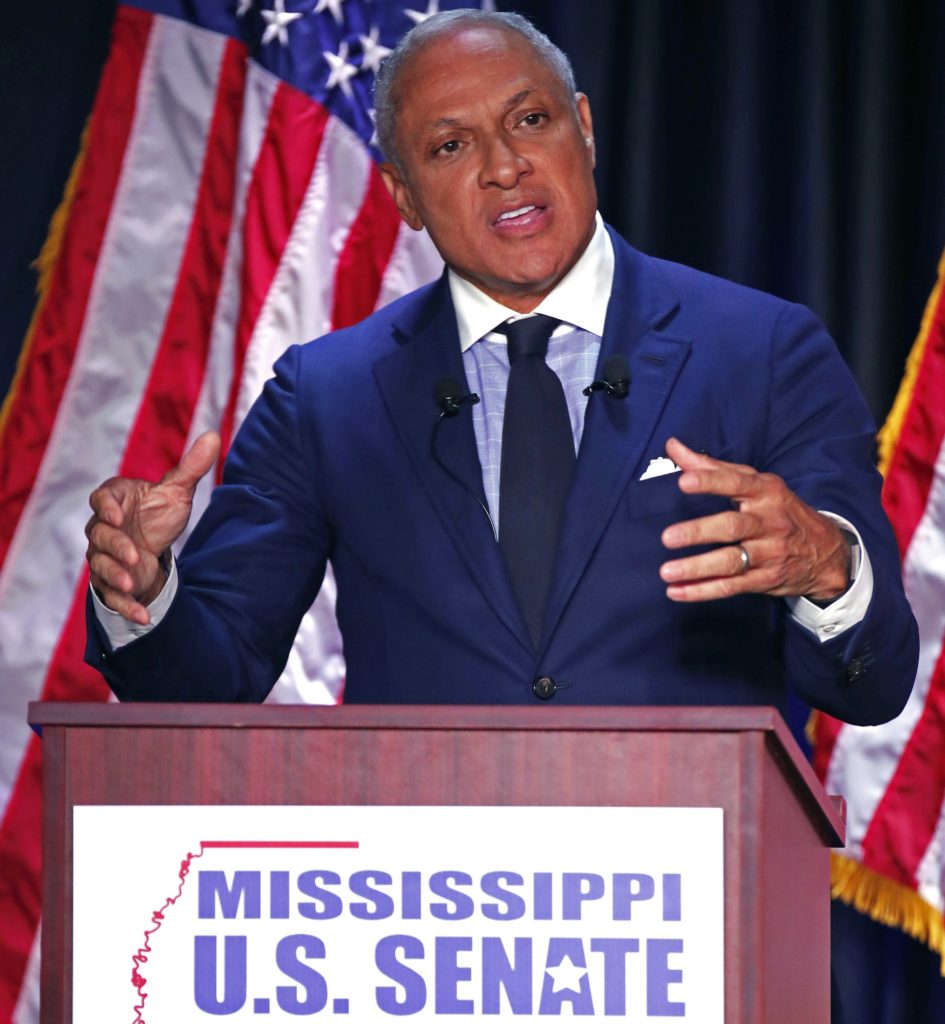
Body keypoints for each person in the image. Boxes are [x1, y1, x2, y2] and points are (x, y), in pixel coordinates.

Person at [84, 10, 917, 725]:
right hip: (424, 894)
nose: (503, 165)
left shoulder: (762, 350)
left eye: (529, 121)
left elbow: (873, 686)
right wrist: (144, 589)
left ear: (582, 129)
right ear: (403, 195)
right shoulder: (325, 397)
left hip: (695, 880)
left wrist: (824, 567)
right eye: (449, 146)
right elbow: (209, 678)